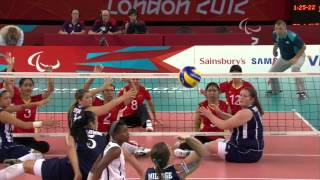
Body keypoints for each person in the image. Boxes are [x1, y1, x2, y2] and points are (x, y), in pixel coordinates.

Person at [0, 111, 106, 180]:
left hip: (67, 168)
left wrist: (77, 172)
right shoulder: (104, 137)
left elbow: (71, 148)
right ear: (92, 123)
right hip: (93, 174)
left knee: (26, 165)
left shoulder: (75, 133)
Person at [83, 66, 151, 156]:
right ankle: (133, 149)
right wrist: (94, 76)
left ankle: (135, 149)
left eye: (111, 90)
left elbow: (133, 93)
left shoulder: (117, 103)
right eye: (106, 90)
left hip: (111, 135)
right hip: (97, 134)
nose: (109, 92)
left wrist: (130, 81)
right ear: (103, 92)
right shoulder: (96, 101)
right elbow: (85, 91)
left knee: (120, 141)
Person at [199, 87, 264, 163]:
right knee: (215, 142)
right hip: (249, 150)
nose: (241, 98)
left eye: (245, 96)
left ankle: (192, 153)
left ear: (252, 99)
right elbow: (234, 119)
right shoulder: (253, 109)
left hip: (246, 153)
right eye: (240, 95)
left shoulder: (246, 112)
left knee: (210, 146)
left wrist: (209, 115)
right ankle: (195, 152)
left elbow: (223, 125)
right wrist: (220, 113)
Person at [0, 88, 55, 164]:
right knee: (38, 155)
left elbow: (22, 107)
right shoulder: (4, 114)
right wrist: (43, 123)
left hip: (2, 147)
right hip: (7, 148)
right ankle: (14, 161)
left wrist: (37, 103)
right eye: (6, 98)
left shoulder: (5, 110)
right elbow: (24, 125)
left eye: (9, 97)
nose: (9, 100)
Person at [174, 82, 228, 158]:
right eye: (209, 90)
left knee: (220, 150)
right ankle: (191, 150)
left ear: (219, 92)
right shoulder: (202, 105)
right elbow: (197, 123)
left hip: (218, 137)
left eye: (214, 90)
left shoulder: (225, 105)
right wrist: (196, 135)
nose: (212, 92)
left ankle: (191, 152)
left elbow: (230, 121)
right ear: (206, 92)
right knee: (179, 146)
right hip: (204, 135)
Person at [10, 73, 54, 153]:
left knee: (45, 146)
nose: (28, 87)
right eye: (25, 85)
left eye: (30, 85)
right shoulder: (15, 98)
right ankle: (26, 150)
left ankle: (26, 150)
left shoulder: (36, 99)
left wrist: (49, 75)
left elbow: (50, 90)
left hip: (29, 136)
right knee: (16, 149)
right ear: (20, 88)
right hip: (16, 136)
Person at [267, 20, 307, 100]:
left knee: (295, 69)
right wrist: (274, 50)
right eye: (276, 28)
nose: (278, 30)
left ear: (285, 28)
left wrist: (295, 58)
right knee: (271, 73)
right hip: (284, 58)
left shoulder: (292, 36)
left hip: (298, 56)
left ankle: (302, 93)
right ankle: (276, 91)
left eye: (280, 28)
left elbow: (303, 47)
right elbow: (276, 42)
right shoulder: (275, 34)